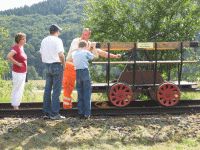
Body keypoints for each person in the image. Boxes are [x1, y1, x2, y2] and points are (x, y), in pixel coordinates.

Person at [62, 28, 121, 109]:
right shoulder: (76, 41)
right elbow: (76, 50)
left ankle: (80, 109)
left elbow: (101, 52)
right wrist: (90, 47)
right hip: (70, 65)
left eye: (85, 34)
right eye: (83, 34)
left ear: (89, 35)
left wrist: (114, 56)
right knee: (68, 87)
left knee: (81, 89)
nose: (83, 36)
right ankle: (67, 107)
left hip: (80, 68)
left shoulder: (89, 44)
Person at [40, 24, 65, 120]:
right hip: (56, 65)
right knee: (56, 90)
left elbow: (41, 54)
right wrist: (64, 64)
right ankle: (54, 114)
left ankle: (46, 112)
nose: (59, 33)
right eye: (59, 31)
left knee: (47, 90)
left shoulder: (44, 40)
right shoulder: (57, 40)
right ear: (57, 31)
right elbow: (61, 54)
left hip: (47, 65)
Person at [72, 40, 94, 119]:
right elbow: (93, 57)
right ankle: (87, 114)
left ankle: (81, 113)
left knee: (80, 93)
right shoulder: (85, 52)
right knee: (87, 93)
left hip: (77, 72)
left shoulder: (74, 53)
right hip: (85, 72)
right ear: (85, 46)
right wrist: (93, 48)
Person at [7, 32, 27, 110]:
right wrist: (17, 63)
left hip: (22, 72)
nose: (25, 40)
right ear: (19, 40)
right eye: (23, 39)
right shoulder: (16, 47)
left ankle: (15, 104)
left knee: (20, 88)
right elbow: (9, 56)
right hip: (18, 72)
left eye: (25, 38)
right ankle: (15, 105)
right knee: (17, 88)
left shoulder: (21, 47)